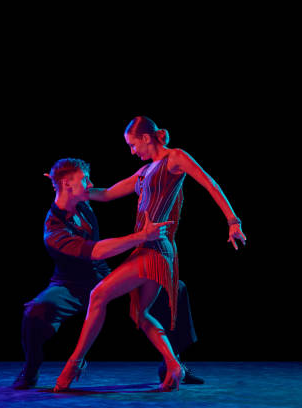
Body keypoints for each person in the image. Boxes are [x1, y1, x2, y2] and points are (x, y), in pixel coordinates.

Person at [53, 116, 246, 392]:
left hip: (155, 248)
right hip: (147, 248)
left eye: (133, 144)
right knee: (141, 315)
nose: (132, 151)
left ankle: (73, 364)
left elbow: (209, 183)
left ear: (146, 138)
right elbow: (106, 194)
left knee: (99, 295)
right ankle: (174, 365)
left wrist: (232, 220)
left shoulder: (175, 158)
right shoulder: (145, 171)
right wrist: (67, 188)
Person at [13, 158, 203, 390]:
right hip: (71, 285)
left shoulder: (82, 203)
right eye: (84, 179)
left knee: (175, 287)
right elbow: (98, 251)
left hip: (101, 275)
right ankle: (31, 369)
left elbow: (110, 192)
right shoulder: (54, 229)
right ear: (67, 184)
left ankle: (173, 364)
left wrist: (154, 170)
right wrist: (142, 236)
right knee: (35, 310)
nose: (91, 183)